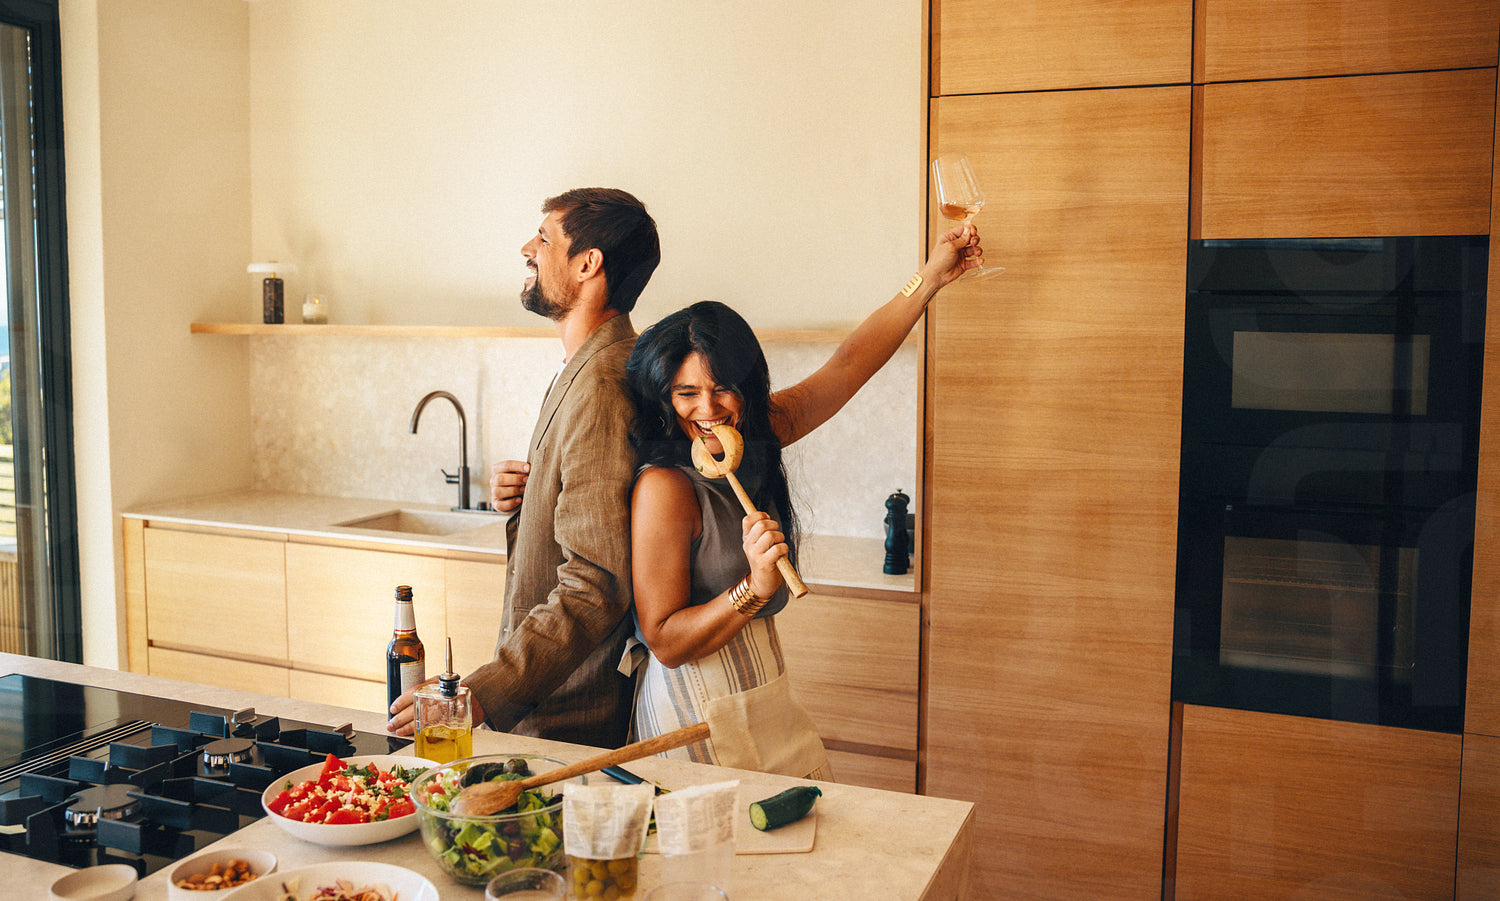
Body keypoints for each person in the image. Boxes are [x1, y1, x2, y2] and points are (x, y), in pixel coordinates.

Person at [622, 222, 983, 777]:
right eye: (686, 393)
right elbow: (665, 641)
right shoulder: (665, 487)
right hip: (692, 711)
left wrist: (929, 278)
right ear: (665, 397)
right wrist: (756, 585)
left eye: (723, 388)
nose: (708, 409)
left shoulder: (758, 435)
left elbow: (848, 365)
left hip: (764, 690)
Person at [387, 187, 659, 748]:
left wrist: (483, 693)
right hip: (552, 706)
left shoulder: (601, 384)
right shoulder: (586, 367)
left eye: (544, 238)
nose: (526, 249)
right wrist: (530, 498)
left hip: (568, 718)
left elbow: (595, 582)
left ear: (587, 263)